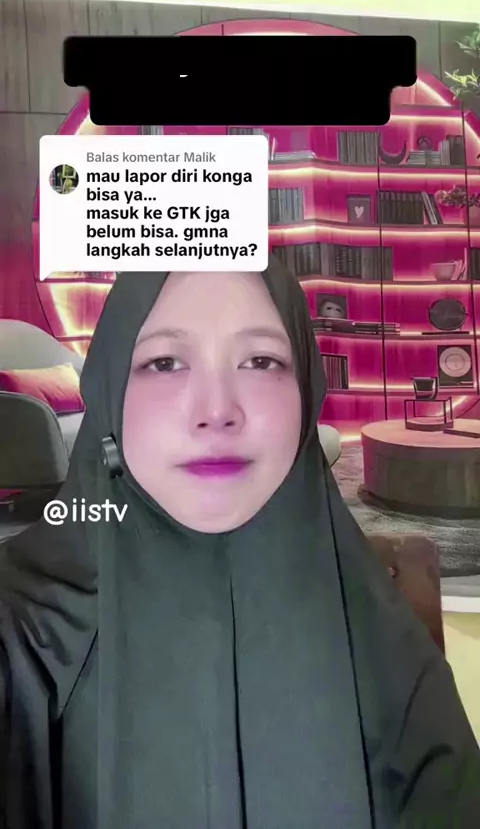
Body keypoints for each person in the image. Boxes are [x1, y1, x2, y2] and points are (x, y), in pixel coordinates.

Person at [0, 260, 479, 829]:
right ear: (110, 393)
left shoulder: (381, 638)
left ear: (305, 390)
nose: (217, 412)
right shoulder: (23, 627)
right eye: (165, 362)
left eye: (260, 361)